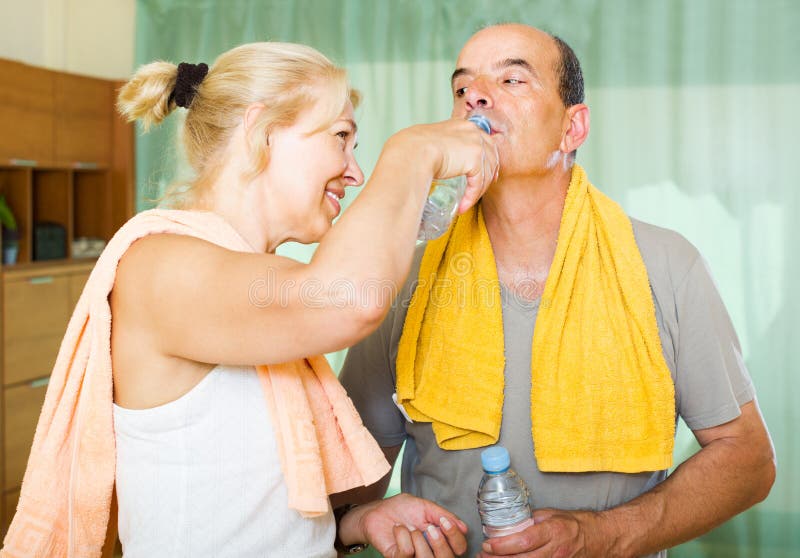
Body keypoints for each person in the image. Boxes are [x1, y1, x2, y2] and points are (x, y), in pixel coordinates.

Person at [1, 42, 499, 558]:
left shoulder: (255, 280)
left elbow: (241, 512)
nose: (355, 172)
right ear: (261, 131)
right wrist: (414, 150)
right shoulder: (160, 266)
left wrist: (353, 521)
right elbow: (351, 298)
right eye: (341, 138)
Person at [337, 23, 776, 557]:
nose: (475, 96)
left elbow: (748, 461)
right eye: (462, 88)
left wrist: (601, 536)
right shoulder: (406, 279)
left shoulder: (666, 265)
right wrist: (359, 519)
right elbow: (351, 489)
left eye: (513, 80)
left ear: (573, 128)